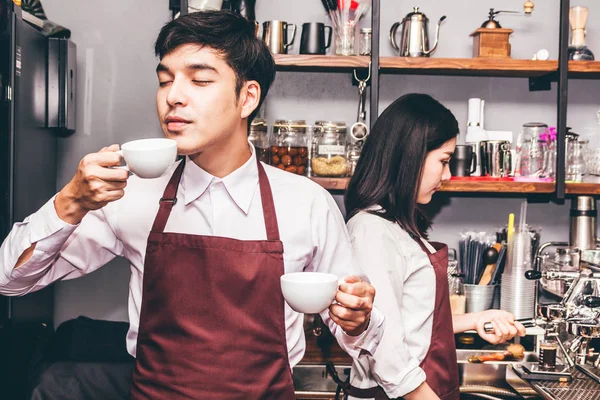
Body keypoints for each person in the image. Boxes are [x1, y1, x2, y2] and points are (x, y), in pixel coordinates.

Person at [0, 11, 384, 399]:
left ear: (247, 97)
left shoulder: (307, 203)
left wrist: (356, 317)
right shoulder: (131, 195)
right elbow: (10, 281)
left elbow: (357, 334)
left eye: (199, 80)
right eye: (165, 80)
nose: (172, 97)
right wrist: (70, 202)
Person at [341, 94, 526, 400]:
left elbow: (414, 319)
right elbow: (383, 342)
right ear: (410, 156)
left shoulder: (399, 226)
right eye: (443, 160)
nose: (447, 175)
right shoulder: (371, 230)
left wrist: (476, 319)